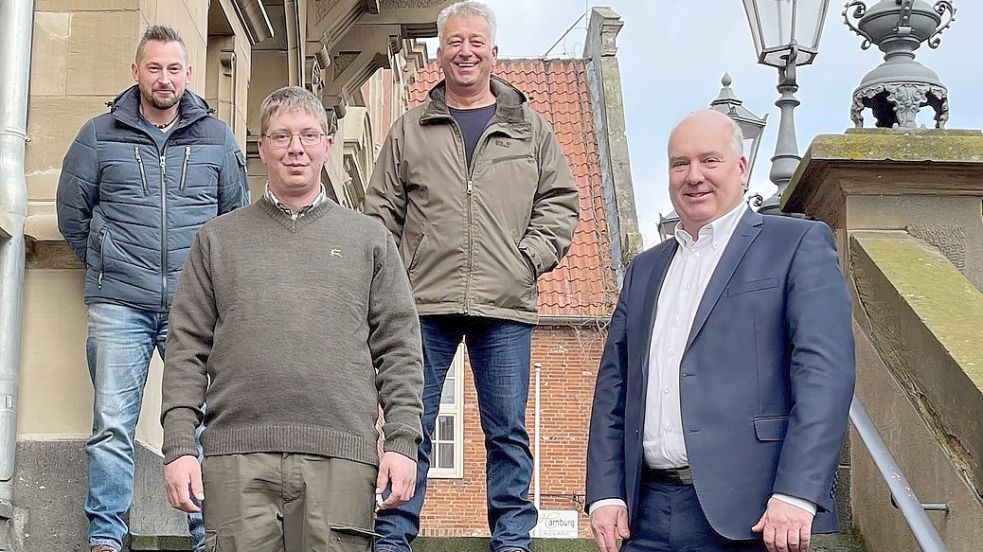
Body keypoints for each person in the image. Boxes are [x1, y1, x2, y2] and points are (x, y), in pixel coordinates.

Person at [159, 85, 424, 552]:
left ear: (327, 145)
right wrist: (180, 446)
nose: (295, 148)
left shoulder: (370, 240)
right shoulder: (218, 240)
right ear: (262, 148)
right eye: (281, 137)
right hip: (235, 456)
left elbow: (400, 349)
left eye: (308, 135)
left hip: (342, 455)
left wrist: (402, 442)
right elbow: (185, 348)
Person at [585, 110, 855, 552]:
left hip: (754, 515)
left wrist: (798, 492)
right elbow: (614, 386)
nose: (694, 177)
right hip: (644, 514)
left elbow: (824, 375)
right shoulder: (645, 269)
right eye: (680, 164)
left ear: (742, 168)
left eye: (709, 161)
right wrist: (605, 492)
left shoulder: (795, 244)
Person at [363, 2, 579, 551]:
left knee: (506, 429)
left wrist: (525, 259)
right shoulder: (410, 129)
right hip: (423, 304)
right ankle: (392, 534)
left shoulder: (531, 129)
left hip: (503, 302)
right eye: (455, 41)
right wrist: (394, 279)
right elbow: (379, 212)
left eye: (476, 42)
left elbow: (560, 203)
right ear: (440, 53)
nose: (466, 51)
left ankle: (512, 538)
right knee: (411, 422)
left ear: (492, 52)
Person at [55, 25, 249, 552]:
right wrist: (107, 261)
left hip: (196, 308)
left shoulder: (218, 138)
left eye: (174, 68)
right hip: (118, 302)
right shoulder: (98, 135)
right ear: (136, 72)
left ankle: (209, 536)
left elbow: (235, 220)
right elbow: (73, 216)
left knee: (206, 425)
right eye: (154, 67)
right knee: (112, 426)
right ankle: (106, 538)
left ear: (189, 74)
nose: (165, 78)